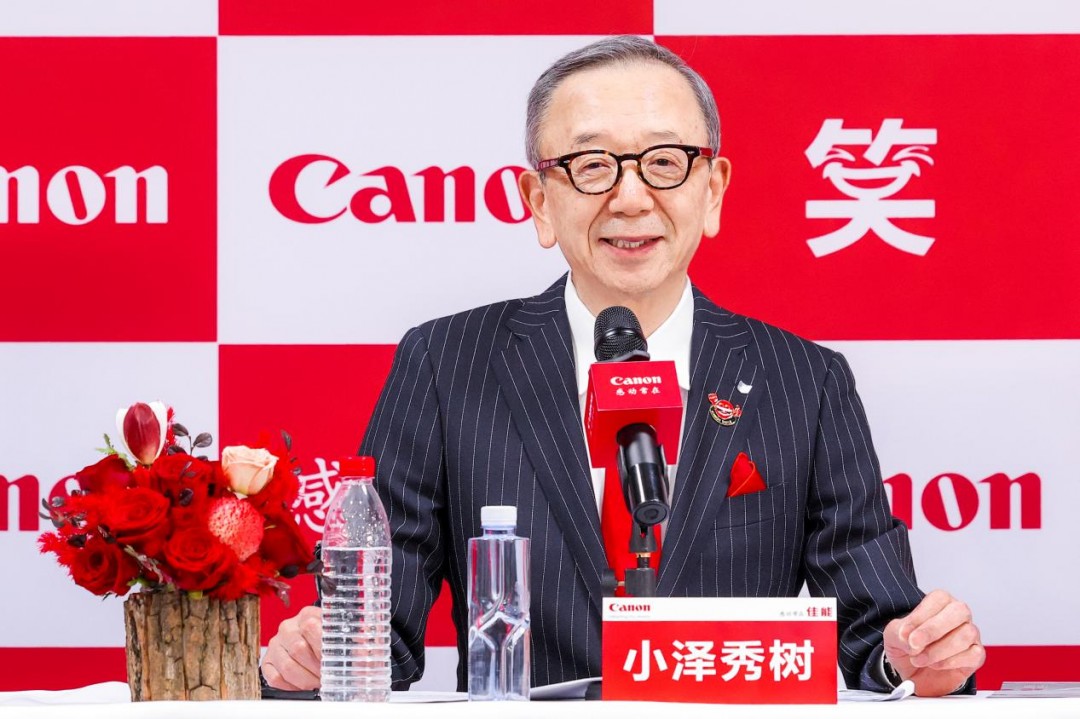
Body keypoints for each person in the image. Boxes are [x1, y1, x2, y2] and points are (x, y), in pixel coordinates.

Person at [262, 35, 984, 697]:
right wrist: (317, 655)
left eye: (665, 162)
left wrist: (918, 656)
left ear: (713, 190)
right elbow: (374, 635)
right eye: (592, 165)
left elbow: (878, 634)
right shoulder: (447, 363)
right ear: (539, 201)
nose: (631, 198)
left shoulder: (804, 380)